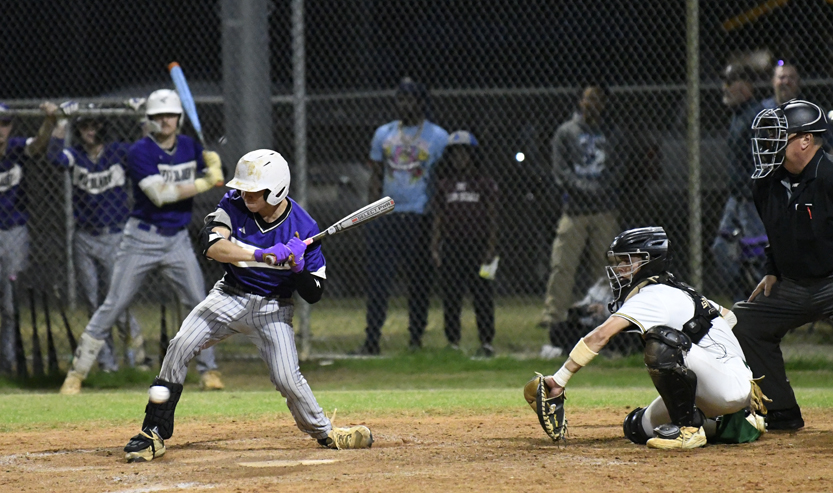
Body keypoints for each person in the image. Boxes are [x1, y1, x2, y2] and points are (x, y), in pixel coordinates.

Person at [122, 149, 373, 462]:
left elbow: (314, 292)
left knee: (286, 378)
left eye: (253, 190)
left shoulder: (305, 228)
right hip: (229, 296)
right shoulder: (233, 203)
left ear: (277, 189)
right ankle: (153, 432)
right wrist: (261, 255)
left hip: (273, 309)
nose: (244, 194)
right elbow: (212, 245)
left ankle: (325, 432)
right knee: (180, 344)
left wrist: (297, 268)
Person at [531, 227, 767, 449]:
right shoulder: (674, 287)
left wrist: (559, 380)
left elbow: (600, 335)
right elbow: (730, 318)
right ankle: (729, 422)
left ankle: (689, 429)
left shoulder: (653, 294)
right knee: (635, 427)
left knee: (663, 343)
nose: (620, 268)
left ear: (649, 261)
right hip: (723, 384)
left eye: (628, 261)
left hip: (728, 388)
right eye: (620, 261)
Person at [59, 89, 226, 394]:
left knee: (200, 303)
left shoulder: (190, 146)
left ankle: (209, 371)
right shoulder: (139, 151)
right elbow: (161, 195)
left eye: (171, 115)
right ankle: (77, 372)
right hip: (141, 238)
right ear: (149, 120)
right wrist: (207, 180)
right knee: (113, 304)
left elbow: (216, 174)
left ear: (179, 118)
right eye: (159, 116)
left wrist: (214, 163)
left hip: (177, 240)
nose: (165, 121)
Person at [733, 99, 833, 431]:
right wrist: (771, 269)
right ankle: (781, 411)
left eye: (780, 136)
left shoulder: (829, 177)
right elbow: (774, 235)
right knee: (744, 323)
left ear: (806, 140)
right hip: (793, 285)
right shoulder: (765, 182)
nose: (768, 145)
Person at [47, 110, 148, 372]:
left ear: (103, 128)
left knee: (119, 299)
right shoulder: (76, 154)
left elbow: (146, 150)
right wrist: (61, 122)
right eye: (84, 127)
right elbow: (54, 158)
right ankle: (107, 363)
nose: (89, 132)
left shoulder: (117, 151)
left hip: (115, 235)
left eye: (94, 127)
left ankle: (136, 358)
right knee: (94, 302)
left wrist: (142, 119)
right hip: (84, 237)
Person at [353, 77, 448, 355]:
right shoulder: (383, 134)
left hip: (419, 217)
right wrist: (372, 212)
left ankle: (415, 339)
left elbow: (441, 179)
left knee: (419, 280)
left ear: (421, 102)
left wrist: (436, 217)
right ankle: (372, 339)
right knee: (378, 280)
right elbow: (376, 176)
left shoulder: (437, 136)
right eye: (400, 99)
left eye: (410, 99)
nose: (404, 104)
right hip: (387, 216)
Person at [540, 85, 622, 334]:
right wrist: (585, 188)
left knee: (605, 265)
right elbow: (561, 170)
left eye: (597, 100)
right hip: (574, 209)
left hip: (604, 208)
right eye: (587, 99)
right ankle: (554, 315)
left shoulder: (613, 133)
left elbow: (619, 167)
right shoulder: (566, 132)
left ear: (604, 104)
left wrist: (602, 187)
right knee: (563, 264)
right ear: (580, 102)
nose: (591, 104)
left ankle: (602, 313)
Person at [0, 101, 68, 374]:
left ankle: (8, 360)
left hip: (14, 231)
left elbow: (39, 144)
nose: (1, 129)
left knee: (10, 302)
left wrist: (50, 121)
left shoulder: (16, 147)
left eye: (5, 123)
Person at [430, 131, 498, 357]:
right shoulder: (444, 184)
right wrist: (435, 245)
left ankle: (487, 341)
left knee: (483, 295)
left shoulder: (483, 183)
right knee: (451, 295)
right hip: (452, 246)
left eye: (464, 153)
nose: (460, 158)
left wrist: (491, 247)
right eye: (455, 154)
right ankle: (453, 342)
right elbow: (438, 216)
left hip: (478, 247)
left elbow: (492, 216)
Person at [711, 64, 767, 302]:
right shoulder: (738, 115)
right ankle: (742, 299)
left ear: (745, 85)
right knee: (721, 249)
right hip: (737, 199)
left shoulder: (756, 116)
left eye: (730, 82)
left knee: (757, 258)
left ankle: (768, 310)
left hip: (752, 201)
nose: (724, 88)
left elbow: (765, 163)